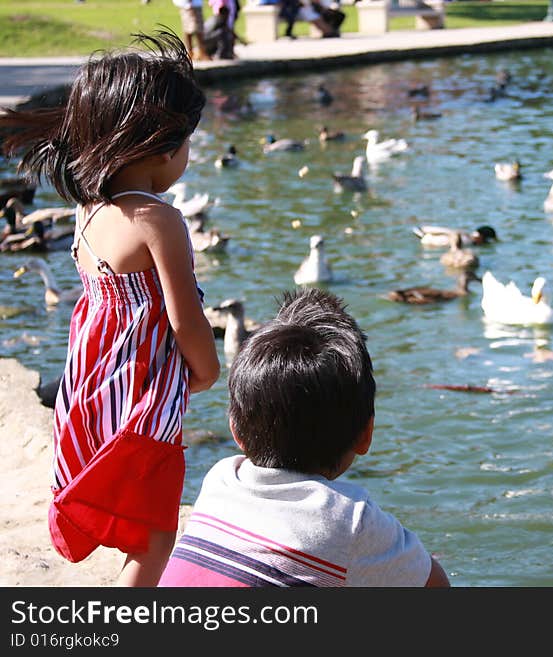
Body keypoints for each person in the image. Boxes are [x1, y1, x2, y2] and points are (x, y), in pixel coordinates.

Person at [0, 30, 221, 586]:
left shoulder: (88, 211)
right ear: (163, 147)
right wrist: (206, 370)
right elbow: (182, 317)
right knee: (155, 537)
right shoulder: (159, 221)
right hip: (142, 393)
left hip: (93, 384)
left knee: (132, 514)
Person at [159, 288, 450, 587]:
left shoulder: (220, 479)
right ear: (366, 434)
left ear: (235, 431)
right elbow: (437, 587)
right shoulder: (352, 520)